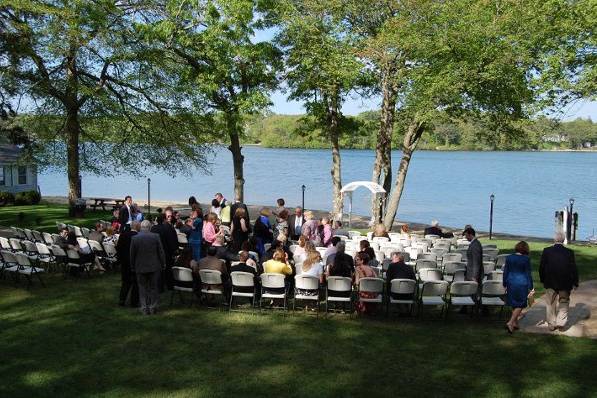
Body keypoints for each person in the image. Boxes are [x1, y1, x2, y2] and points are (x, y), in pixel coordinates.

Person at [539, 232, 579, 331]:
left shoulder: (547, 251)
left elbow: (541, 267)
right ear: (563, 240)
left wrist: (543, 279)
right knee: (564, 302)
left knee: (550, 303)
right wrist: (575, 282)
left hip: (550, 282)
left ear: (554, 240)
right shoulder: (569, 252)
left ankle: (551, 323)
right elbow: (573, 268)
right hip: (565, 283)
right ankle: (561, 322)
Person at [130, 220, 165, 315]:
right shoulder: (155, 236)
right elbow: (161, 252)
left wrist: (132, 265)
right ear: (150, 227)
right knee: (154, 287)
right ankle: (153, 307)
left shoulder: (135, 238)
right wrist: (163, 263)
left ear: (141, 227)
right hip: (154, 266)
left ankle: (144, 308)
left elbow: (132, 254)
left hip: (140, 266)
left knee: (142, 288)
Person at [503, 241, 534, 333]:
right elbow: (528, 274)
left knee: (514, 303)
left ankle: (515, 323)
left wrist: (504, 283)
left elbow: (506, 272)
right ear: (525, 249)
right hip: (522, 283)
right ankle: (511, 322)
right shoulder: (526, 259)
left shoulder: (509, 258)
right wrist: (531, 286)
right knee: (521, 303)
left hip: (511, 282)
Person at [151, 210, 178, 291]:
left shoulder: (153, 228)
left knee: (158, 270)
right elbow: (172, 241)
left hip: (156, 252)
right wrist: (174, 250)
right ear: (164, 219)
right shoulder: (168, 227)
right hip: (166, 251)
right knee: (168, 269)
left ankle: (159, 286)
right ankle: (169, 285)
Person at [117, 221, 140, 307]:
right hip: (134, 262)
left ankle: (122, 300)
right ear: (137, 227)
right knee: (135, 283)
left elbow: (118, 247)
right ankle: (134, 302)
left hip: (125, 262)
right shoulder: (138, 237)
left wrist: (120, 260)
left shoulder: (123, 234)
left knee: (125, 282)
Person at [462, 227, 483, 314]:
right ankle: (465, 308)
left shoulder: (475, 245)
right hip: (470, 272)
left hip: (473, 274)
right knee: (469, 290)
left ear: (470, 234)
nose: (465, 237)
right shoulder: (473, 244)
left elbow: (476, 262)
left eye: (466, 235)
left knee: (474, 292)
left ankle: (478, 309)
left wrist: (475, 276)